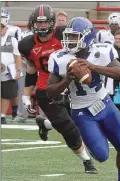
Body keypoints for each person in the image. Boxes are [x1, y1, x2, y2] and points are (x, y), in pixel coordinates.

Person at [47, 17, 120, 181]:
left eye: (74, 36)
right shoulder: (60, 58)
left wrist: (91, 66)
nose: (69, 40)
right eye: (68, 36)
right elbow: (50, 92)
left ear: (86, 37)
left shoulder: (103, 51)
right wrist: (67, 80)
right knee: (102, 155)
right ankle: (92, 140)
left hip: (106, 105)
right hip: (82, 112)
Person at [18, 4, 97, 174]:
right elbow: (31, 71)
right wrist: (26, 95)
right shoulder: (26, 44)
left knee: (79, 120)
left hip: (71, 85)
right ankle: (87, 161)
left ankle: (45, 124)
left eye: (44, 23)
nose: (41, 26)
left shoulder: (64, 34)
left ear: (52, 23)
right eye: (38, 23)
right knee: (68, 127)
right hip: (47, 90)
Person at [1, 9, 22, 124]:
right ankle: (3, 115)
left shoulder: (14, 32)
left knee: (12, 93)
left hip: (10, 68)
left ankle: (13, 110)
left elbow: (18, 52)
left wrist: (18, 69)